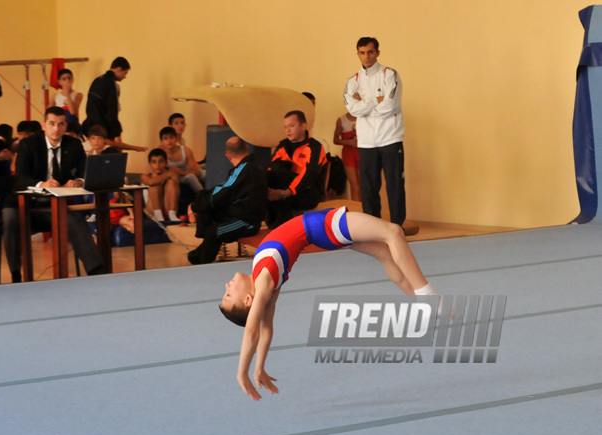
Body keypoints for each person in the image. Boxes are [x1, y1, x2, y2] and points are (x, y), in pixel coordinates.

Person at [220, 206, 438, 400]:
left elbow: (265, 327)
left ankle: (422, 304)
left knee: (385, 255)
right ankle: (426, 294)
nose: (227, 287)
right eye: (229, 295)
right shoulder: (266, 280)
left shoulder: (265, 282)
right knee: (393, 232)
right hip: (321, 226)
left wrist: (259, 368)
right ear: (249, 300)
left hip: (319, 231)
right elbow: (254, 330)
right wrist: (243, 371)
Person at [2, 106, 103, 282]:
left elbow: (85, 171)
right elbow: (20, 178)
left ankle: (96, 271)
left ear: (65, 126)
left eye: (61, 124)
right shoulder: (28, 144)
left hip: (53, 206)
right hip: (25, 204)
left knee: (75, 220)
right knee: (9, 217)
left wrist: (78, 180)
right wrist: (42, 184)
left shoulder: (73, 145)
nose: (56, 129)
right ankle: (15, 274)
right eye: (52, 124)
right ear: (44, 125)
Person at [343, 37, 406, 225]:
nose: (367, 56)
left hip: (390, 138)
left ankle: (397, 227)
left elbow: (391, 105)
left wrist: (364, 102)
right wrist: (375, 100)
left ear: (377, 52)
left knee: (395, 185)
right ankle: (373, 227)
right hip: (366, 142)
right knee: (369, 187)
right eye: (362, 52)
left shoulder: (390, 74)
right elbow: (353, 110)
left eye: (370, 52)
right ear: (357, 54)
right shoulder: (352, 81)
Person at [186, 136, 267, 265]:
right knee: (203, 196)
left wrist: (194, 208)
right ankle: (205, 241)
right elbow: (222, 190)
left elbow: (222, 193)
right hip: (237, 211)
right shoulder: (249, 166)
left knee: (212, 231)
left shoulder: (245, 169)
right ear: (246, 148)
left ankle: (200, 259)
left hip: (247, 221)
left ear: (228, 156)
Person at [266, 110, 327, 229]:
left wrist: (287, 192)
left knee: (277, 176)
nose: (287, 131)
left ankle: (281, 227)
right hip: (287, 191)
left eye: (291, 126)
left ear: (303, 126)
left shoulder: (315, 147)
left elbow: (309, 175)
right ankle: (275, 227)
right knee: (267, 175)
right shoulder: (284, 146)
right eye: (285, 127)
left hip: (308, 193)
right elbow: (271, 170)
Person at [82, 57, 130, 141]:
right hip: (104, 130)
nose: (125, 77)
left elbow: (91, 106)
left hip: (92, 126)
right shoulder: (111, 84)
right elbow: (112, 110)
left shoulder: (97, 80)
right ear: (119, 69)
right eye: (125, 73)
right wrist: (115, 132)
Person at [159, 126, 205, 193]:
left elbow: (196, 172)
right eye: (165, 139)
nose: (169, 141)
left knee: (207, 174)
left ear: (176, 139)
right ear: (161, 142)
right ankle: (204, 197)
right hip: (178, 177)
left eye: (171, 137)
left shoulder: (186, 150)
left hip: (188, 171)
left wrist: (181, 172)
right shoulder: (160, 153)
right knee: (190, 177)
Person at [140, 148, 180, 222]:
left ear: (166, 163)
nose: (157, 165)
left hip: (167, 207)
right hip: (152, 211)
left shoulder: (172, 175)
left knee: (171, 183)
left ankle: (172, 214)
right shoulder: (145, 176)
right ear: (150, 163)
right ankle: (158, 215)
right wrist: (167, 175)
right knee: (155, 184)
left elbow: (175, 183)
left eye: (161, 161)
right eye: (154, 162)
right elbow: (151, 182)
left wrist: (168, 175)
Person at [333, 112, 360, 201]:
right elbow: (335, 140)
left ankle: (365, 211)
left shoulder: (364, 117)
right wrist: (349, 142)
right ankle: (357, 211)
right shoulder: (341, 120)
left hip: (362, 154)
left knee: (363, 186)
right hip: (349, 155)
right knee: (354, 186)